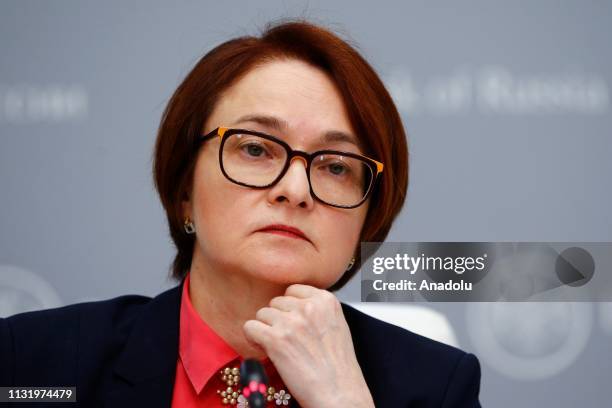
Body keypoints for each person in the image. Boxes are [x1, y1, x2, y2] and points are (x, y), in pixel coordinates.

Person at [0, 19, 481, 407]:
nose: (295, 190)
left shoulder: (436, 388)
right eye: (255, 149)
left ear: (366, 220)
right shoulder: (37, 363)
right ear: (184, 189)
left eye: (335, 166)